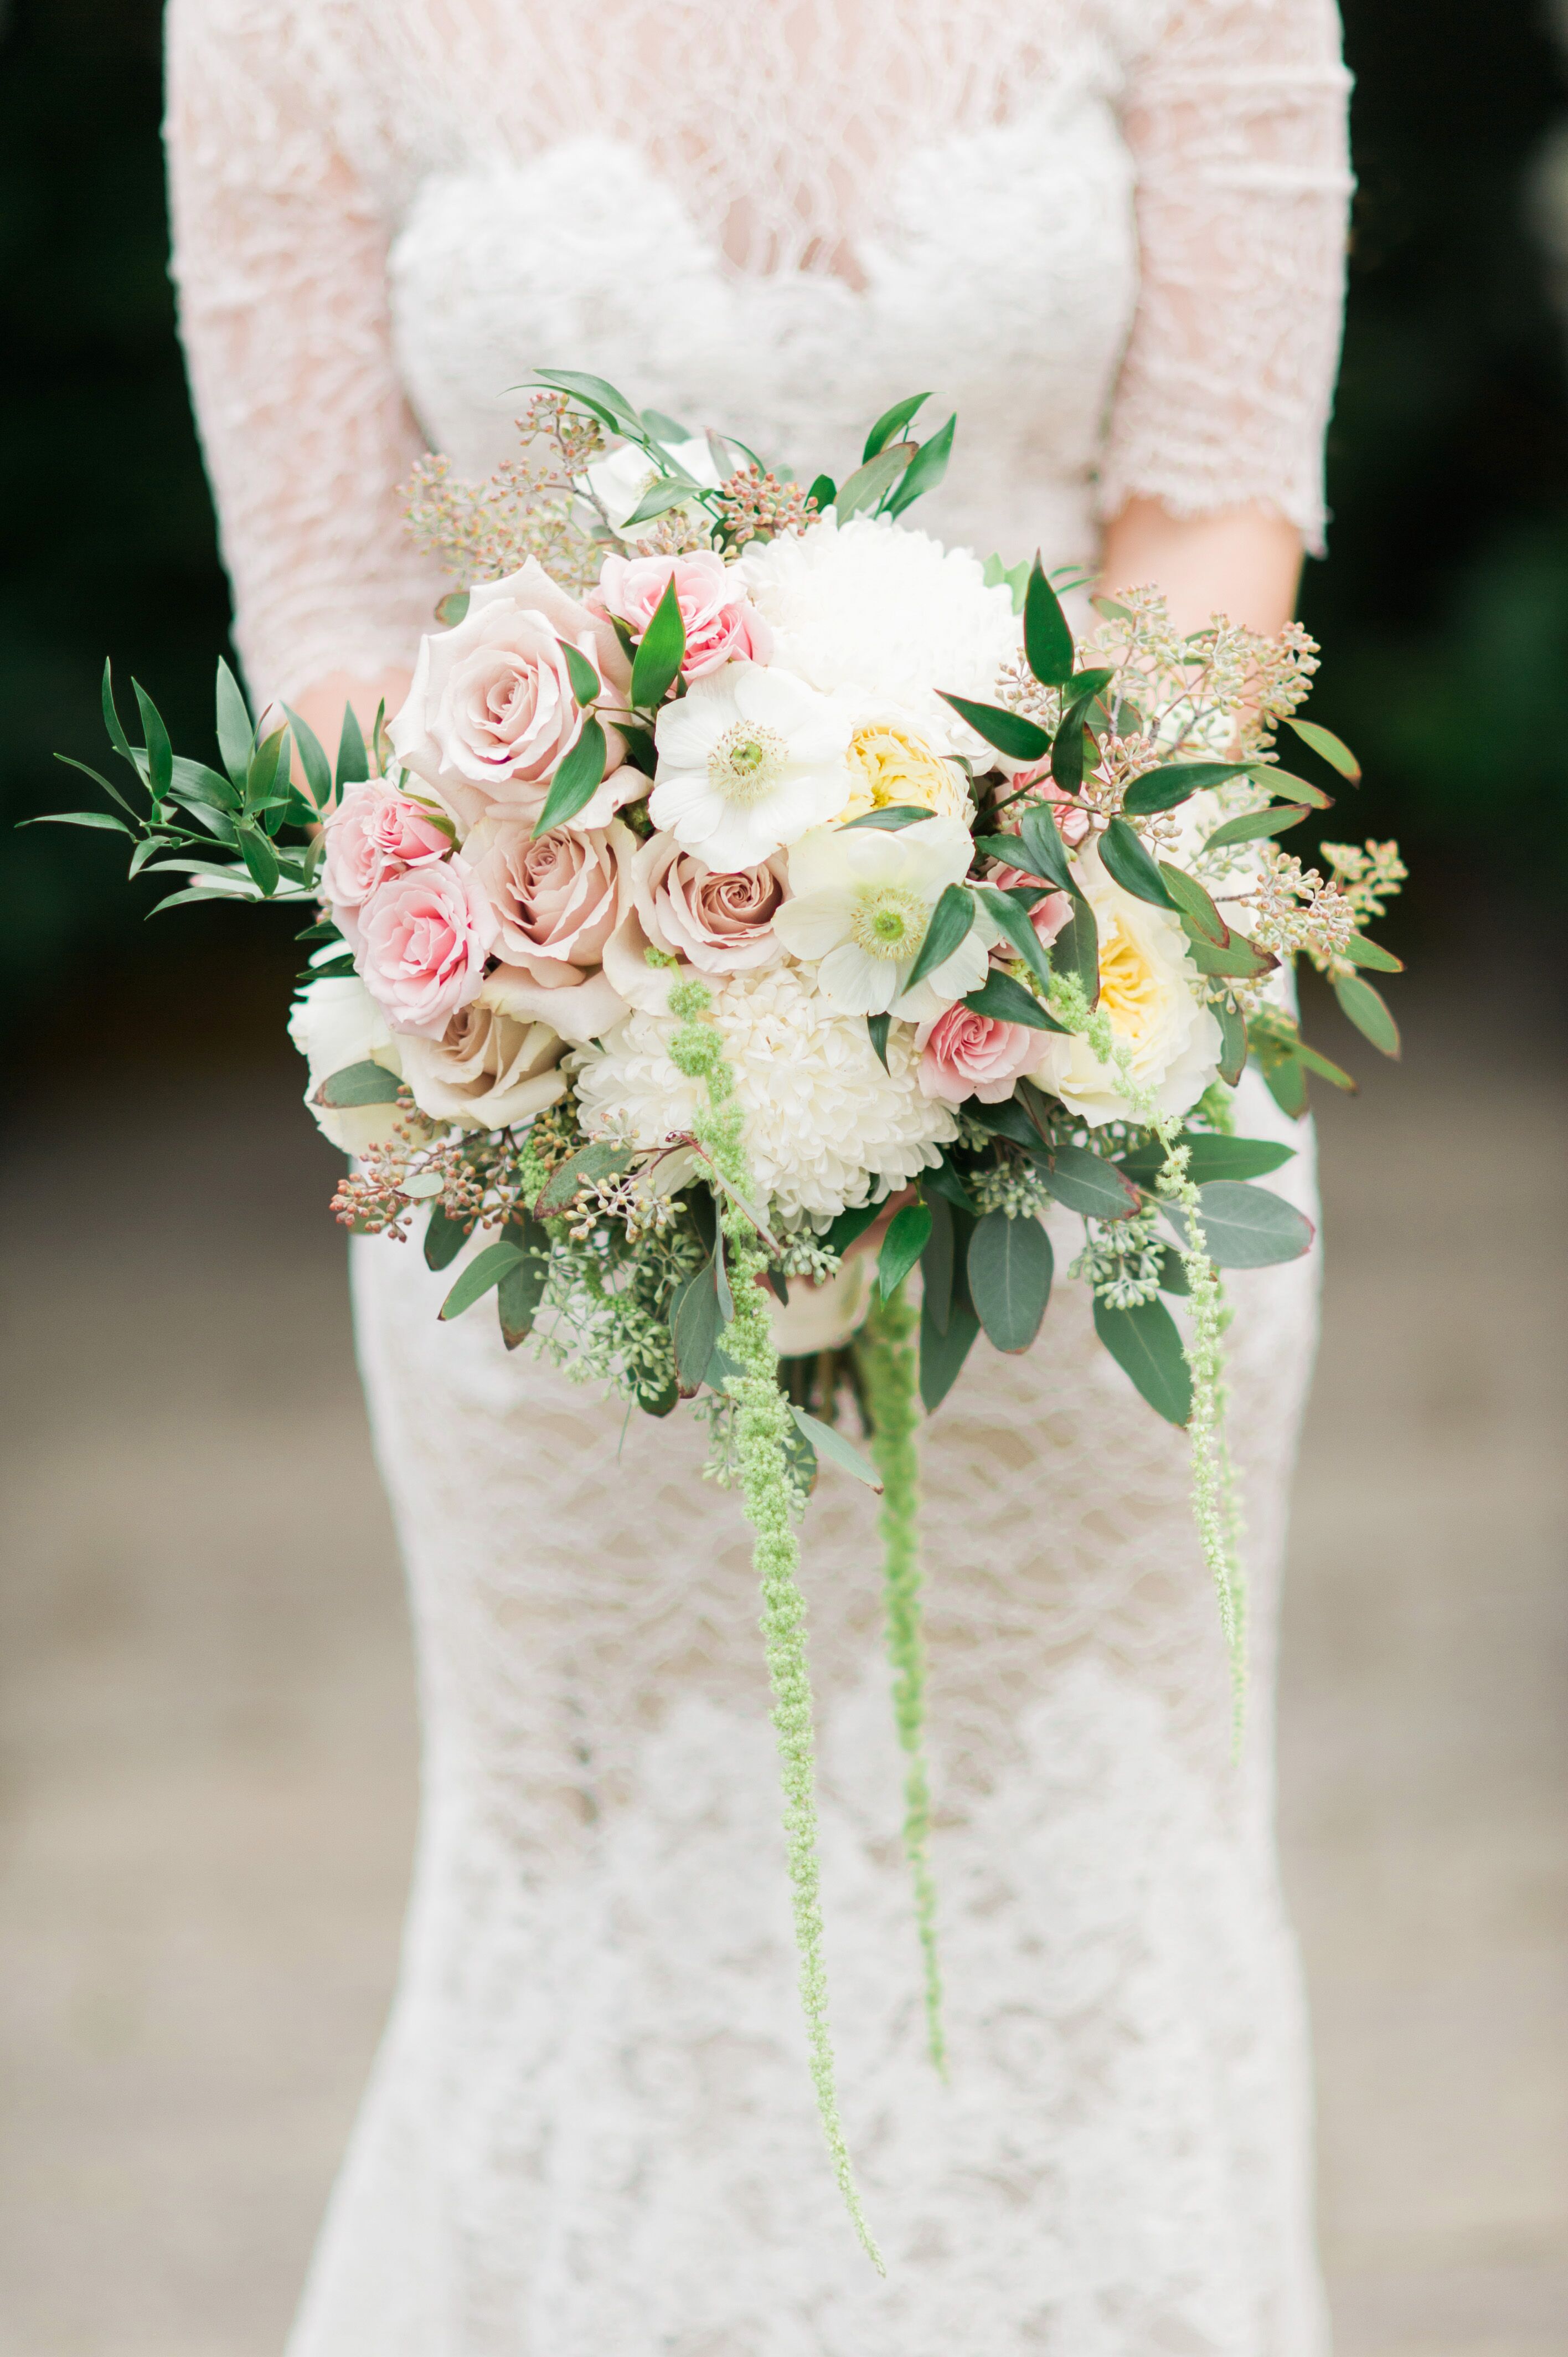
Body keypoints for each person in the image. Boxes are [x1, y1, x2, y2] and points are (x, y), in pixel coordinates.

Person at [164, 3, 1351, 2348]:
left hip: (1089, 1089)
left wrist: (1003, 963)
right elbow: (325, 617)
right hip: (554, 1143)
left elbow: (1217, 504)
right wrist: (578, 990)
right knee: (614, 1919)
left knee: (1087, 1911)